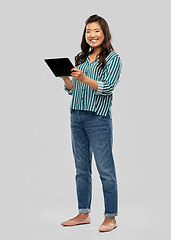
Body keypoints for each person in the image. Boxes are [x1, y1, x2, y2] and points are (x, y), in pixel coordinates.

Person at [60, 14, 122, 232]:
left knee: (105, 169)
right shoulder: (82, 59)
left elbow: (107, 88)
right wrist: (66, 78)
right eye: (88, 31)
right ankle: (83, 213)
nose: (92, 35)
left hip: (98, 119)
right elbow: (73, 90)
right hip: (76, 117)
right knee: (81, 169)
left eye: (96, 30)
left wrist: (84, 78)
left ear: (104, 33)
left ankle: (110, 217)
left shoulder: (113, 59)